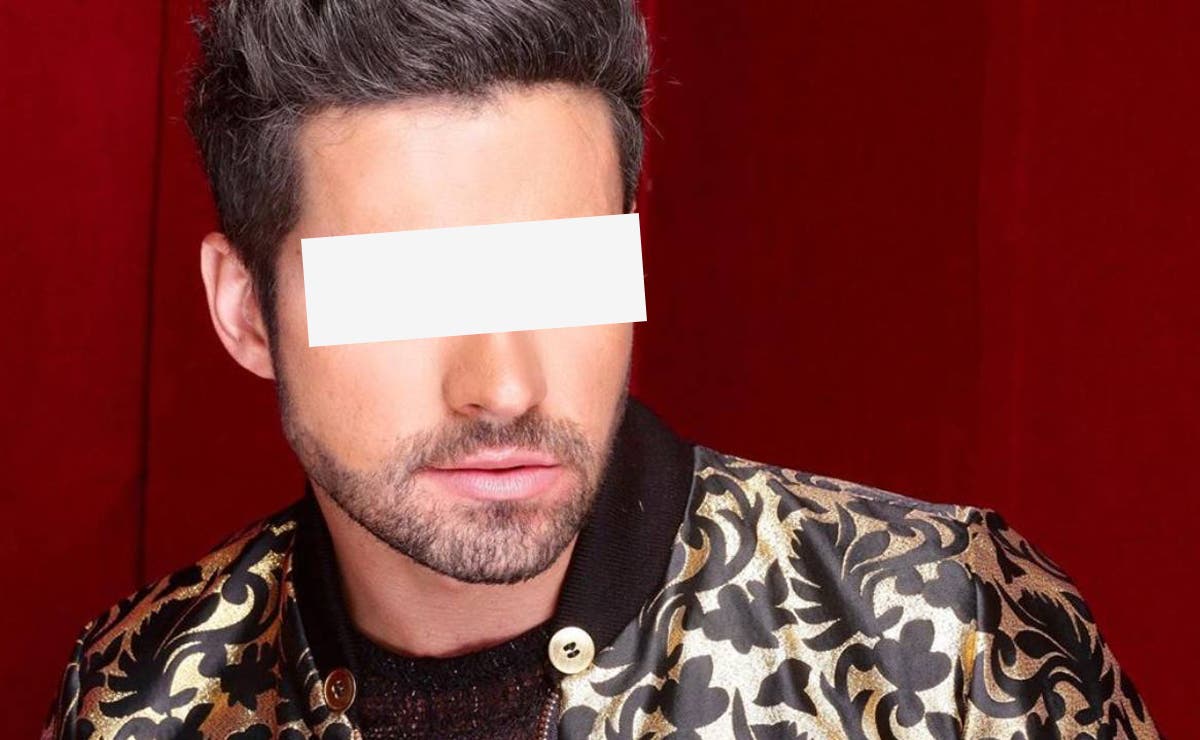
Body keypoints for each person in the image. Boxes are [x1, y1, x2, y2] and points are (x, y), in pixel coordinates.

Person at [43, 1, 1157, 738]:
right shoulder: (138, 696)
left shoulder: (948, 637)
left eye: (562, 271)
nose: (504, 386)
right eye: (407, 289)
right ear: (245, 308)